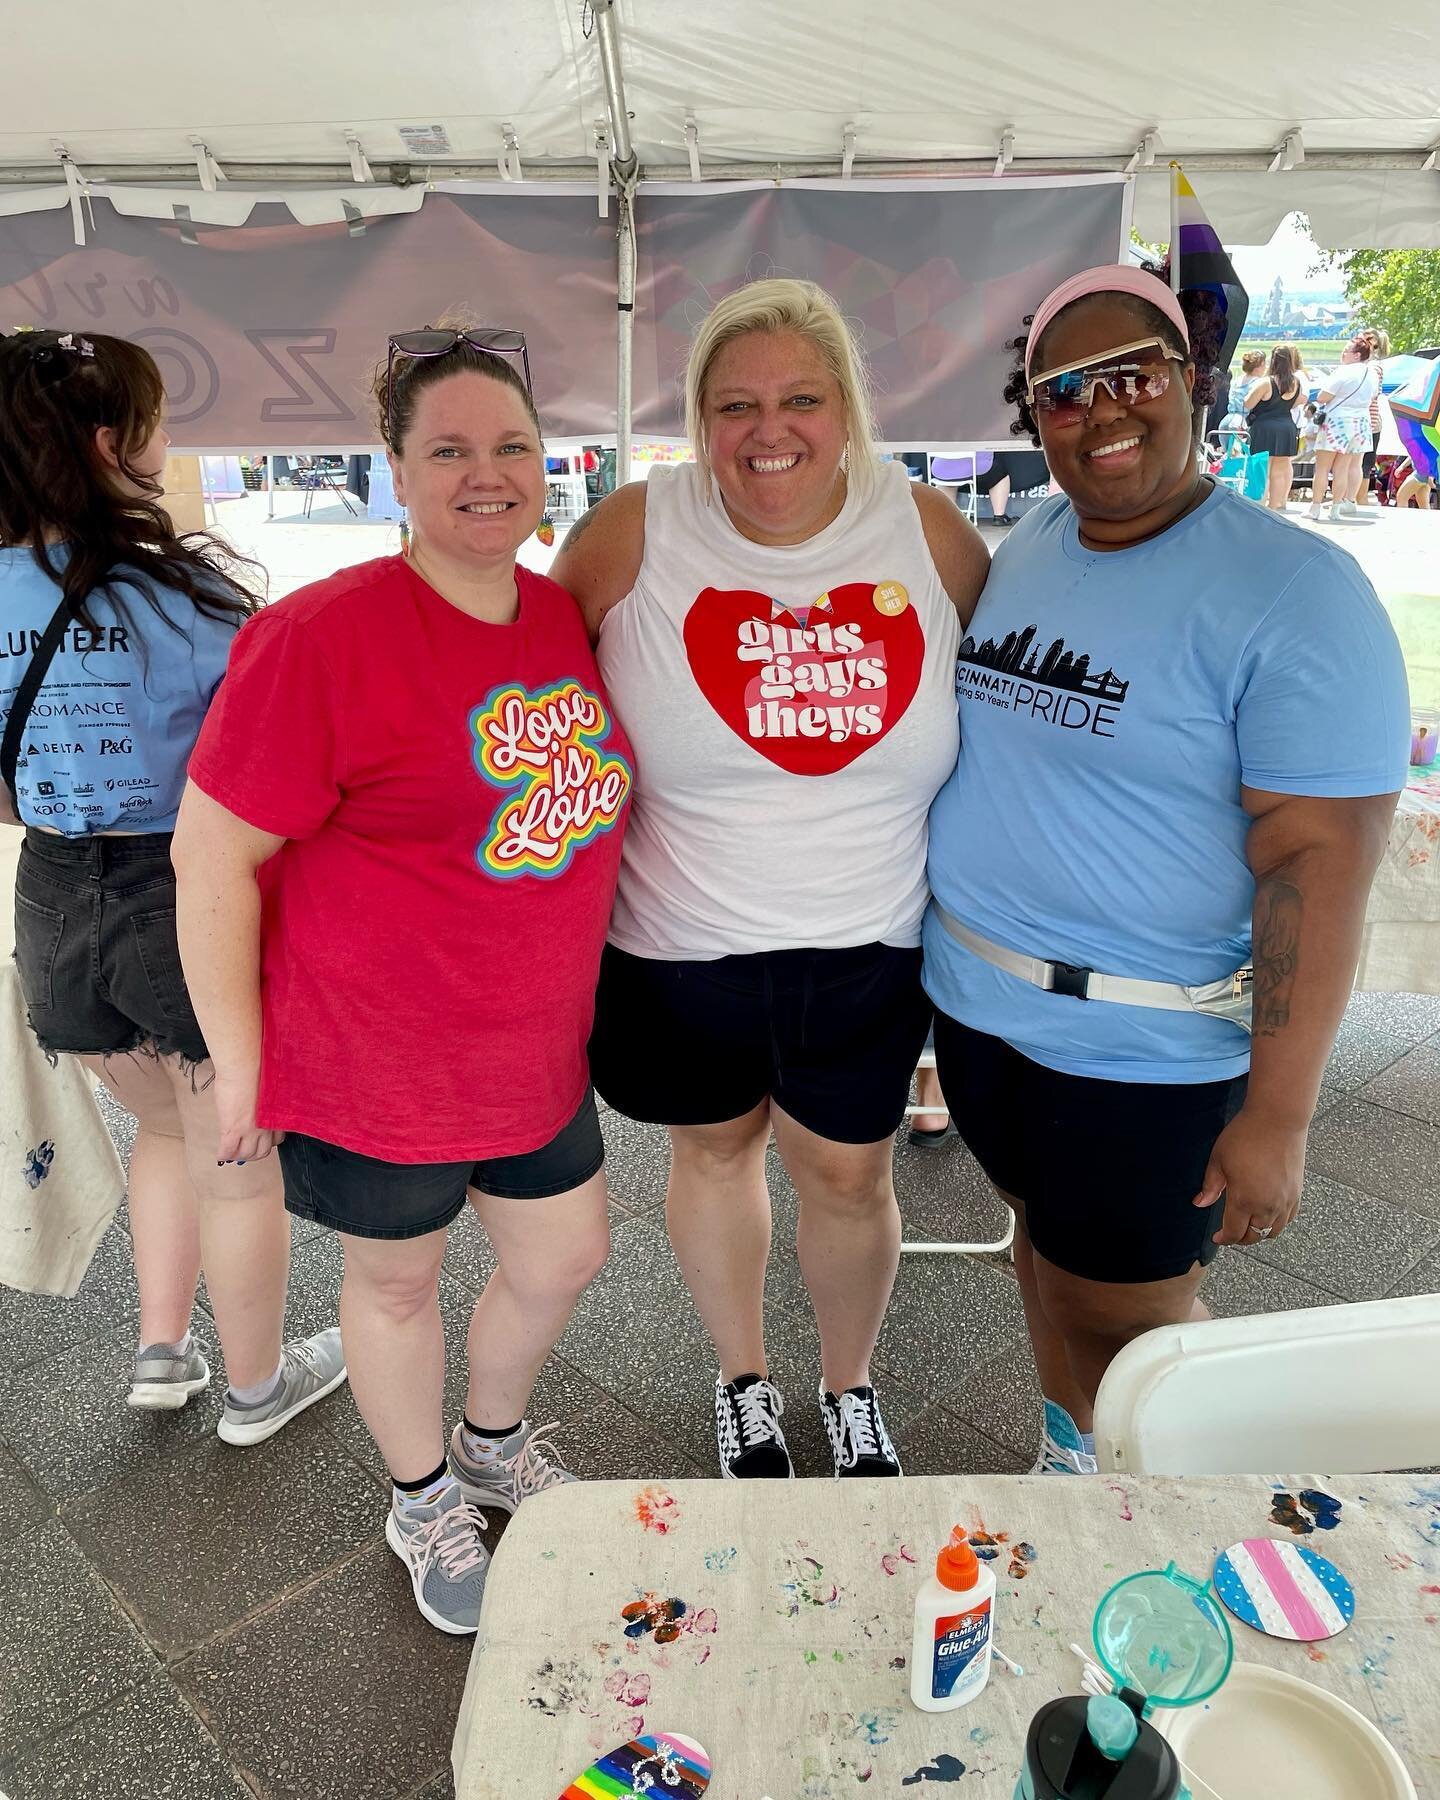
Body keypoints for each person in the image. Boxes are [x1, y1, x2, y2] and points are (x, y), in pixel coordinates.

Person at [171, 325, 632, 1634]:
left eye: (511, 447)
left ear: (548, 461)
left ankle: (490, 1441)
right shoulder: (321, 636)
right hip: (372, 1055)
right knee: (393, 1286)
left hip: (533, 1045)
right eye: (448, 450)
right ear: (395, 467)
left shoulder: (556, 612)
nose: (484, 474)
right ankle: (423, 1489)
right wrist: (241, 1060)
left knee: (566, 1256)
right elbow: (208, 857)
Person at [923, 264, 1408, 1477]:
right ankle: (1073, 1466)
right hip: (987, 1022)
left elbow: (1316, 865)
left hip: (1146, 1059)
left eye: (1131, 376)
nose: (1101, 412)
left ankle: (1212, 1520)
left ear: (1195, 380)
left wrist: (1279, 1118)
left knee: (1137, 1333)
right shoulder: (1033, 537)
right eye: (1062, 392)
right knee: (1043, 1256)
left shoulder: (1297, 594)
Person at [553, 277, 989, 1481]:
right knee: (715, 1154)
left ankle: (849, 1387)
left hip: (869, 946)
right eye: (733, 403)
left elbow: (1013, 709)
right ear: (698, 417)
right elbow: (518, 671)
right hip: (681, 948)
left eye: (801, 396)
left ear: (847, 406)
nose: (768, 429)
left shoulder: (928, 530)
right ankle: (742, 1379)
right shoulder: (637, 528)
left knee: (850, 1175)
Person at [0, 328, 344, 1436]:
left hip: (49, 900)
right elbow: (269, 778)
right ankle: (255, 1388)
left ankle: (162, 1349)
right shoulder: (191, 597)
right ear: (111, 444)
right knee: (235, 1162)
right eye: (152, 425)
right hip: (179, 898)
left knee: (161, 1131)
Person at [1307, 337, 1381, 524]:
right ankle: (1336, 508)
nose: (1342, 354)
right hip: (1360, 423)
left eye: (1346, 351)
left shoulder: (1343, 372)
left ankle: (1315, 507)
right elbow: (1372, 397)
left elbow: (1323, 396)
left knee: (1323, 467)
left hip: (1337, 421)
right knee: (1343, 468)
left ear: (1356, 355)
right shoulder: (1372, 373)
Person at [1244, 345, 1303, 510]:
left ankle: (1261, 503)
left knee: (1264, 468)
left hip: (1265, 427)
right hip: (1287, 426)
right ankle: (1276, 504)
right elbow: (1297, 402)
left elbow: (1248, 403)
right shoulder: (1295, 382)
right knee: (1280, 468)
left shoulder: (1266, 382)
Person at [1357, 327, 1390, 509]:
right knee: (1361, 461)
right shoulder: (1371, 365)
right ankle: (1355, 496)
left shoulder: (1372, 366)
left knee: (1363, 462)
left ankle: (1360, 497)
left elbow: (1371, 393)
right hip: (1370, 420)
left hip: (1369, 421)